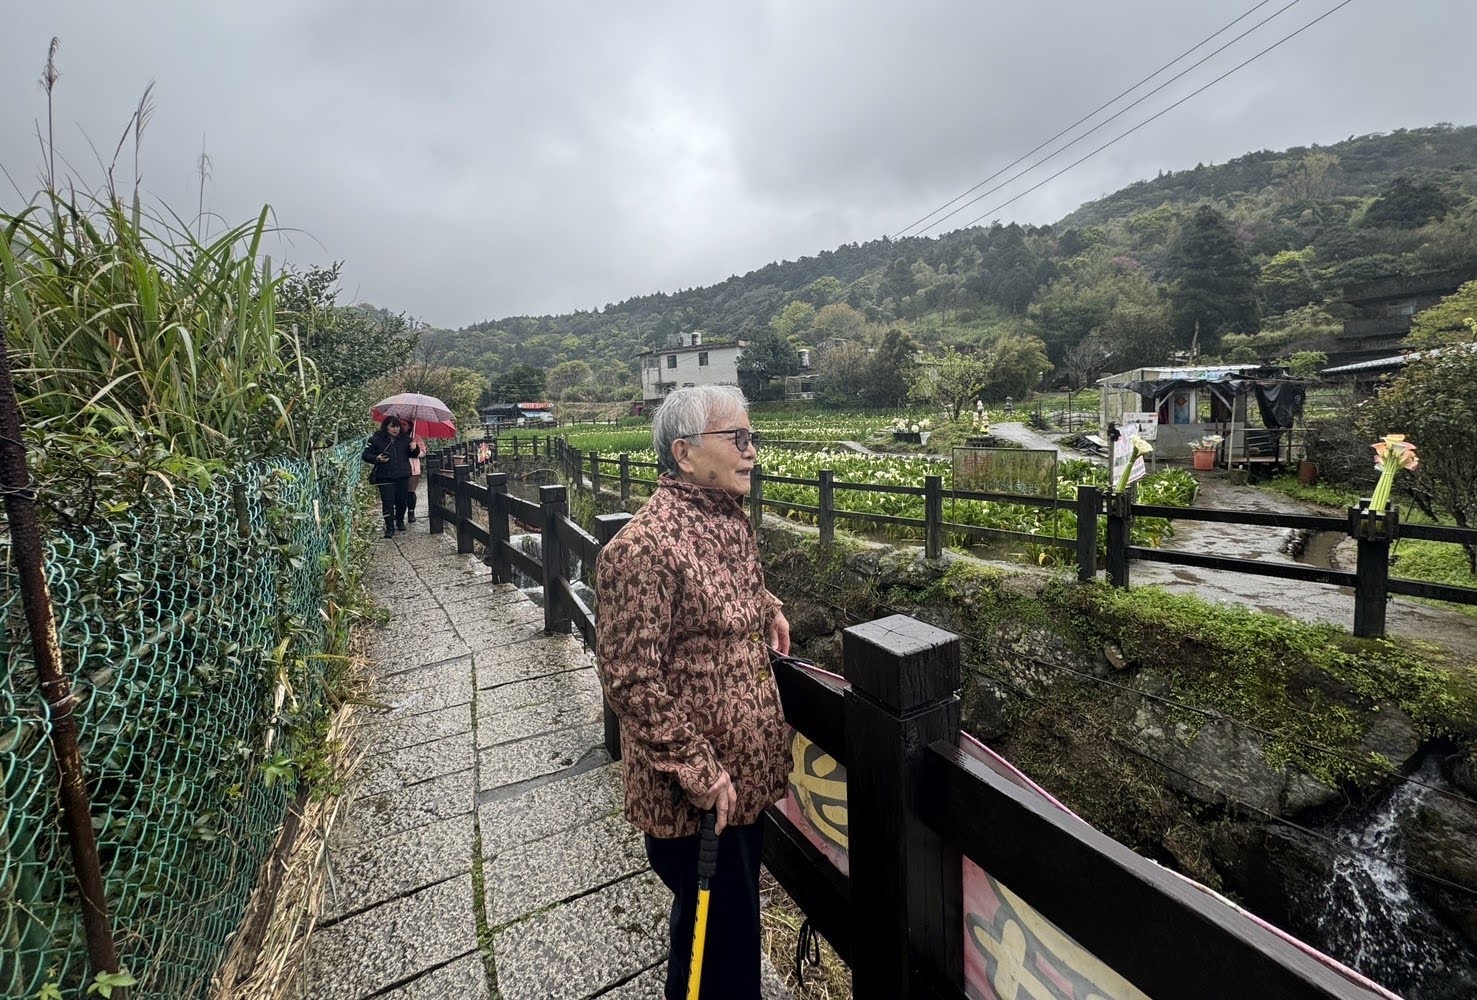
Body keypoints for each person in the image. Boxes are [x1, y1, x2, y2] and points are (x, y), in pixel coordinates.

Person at [594, 385, 791, 1000]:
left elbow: (730, 593)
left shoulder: (722, 520)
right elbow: (630, 677)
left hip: (741, 787)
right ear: (684, 453)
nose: (752, 452)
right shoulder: (643, 549)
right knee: (720, 951)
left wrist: (769, 607)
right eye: (738, 439)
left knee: (721, 941)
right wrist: (700, 771)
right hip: (701, 802)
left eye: (751, 438)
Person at [361, 416, 420, 538]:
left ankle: (399, 521)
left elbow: (412, 454)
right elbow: (366, 455)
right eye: (392, 426)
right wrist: (377, 458)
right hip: (385, 476)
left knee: (401, 501)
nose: (395, 429)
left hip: (402, 475)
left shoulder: (405, 439)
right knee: (387, 501)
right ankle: (389, 527)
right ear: (386, 427)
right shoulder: (375, 439)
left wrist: (415, 448)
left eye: (397, 427)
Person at [403, 420, 428, 523]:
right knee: (399, 492)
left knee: (410, 491)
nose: (401, 426)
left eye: (404, 424)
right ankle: (398, 513)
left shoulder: (416, 437)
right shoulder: (395, 437)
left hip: (413, 468)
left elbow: (422, 453)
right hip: (399, 468)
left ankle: (411, 512)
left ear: (410, 426)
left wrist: (415, 448)